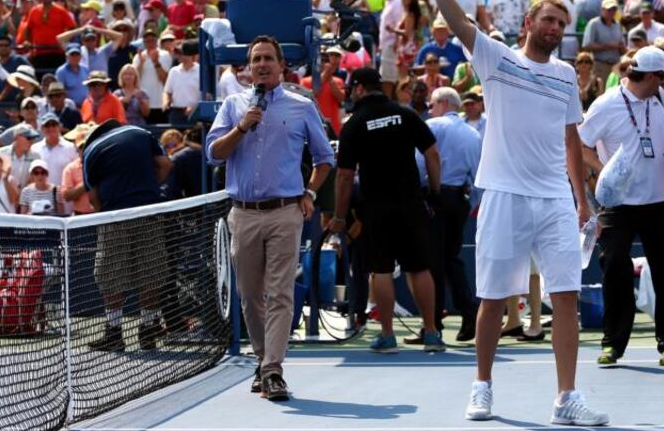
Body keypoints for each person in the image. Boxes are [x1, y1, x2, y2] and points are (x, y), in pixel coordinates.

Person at [424, 0, 607, 424]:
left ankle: (567, 396)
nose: (554, 27)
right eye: (548, 19)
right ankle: (482, 385)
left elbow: (571, 138)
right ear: (528, 22)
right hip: (504, 193)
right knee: (493, 297)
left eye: (561, 23)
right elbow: (460, 22)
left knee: (565, 295)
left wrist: (582, 196)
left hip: (554, 199)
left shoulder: (567, 75)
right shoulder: (496, 58)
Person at [205, 35, 334, 402]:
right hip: (243, 213)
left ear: (281, 66)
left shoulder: (301, 106)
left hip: (285, 212)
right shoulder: (232, 105)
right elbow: (214, 154)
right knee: (249, 296)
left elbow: (325, 158)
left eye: (268, 59)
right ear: (248, 67)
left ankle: (273, 370)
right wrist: (242, 126)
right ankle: (264, 364)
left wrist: (309, 193)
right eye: (255, 59)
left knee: (279, 293)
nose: (261, 65)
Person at [579, 46, 664, 367]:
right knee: (614, 267)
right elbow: (580, 143)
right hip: (618, 202)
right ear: (652, 76)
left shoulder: (660, 98)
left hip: (661, 198)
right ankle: (613, 344)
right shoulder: (606, 104)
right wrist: (606, 172)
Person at [331, 66, 445, 353]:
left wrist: (339, 216)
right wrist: (434, 192)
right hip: (410, 203)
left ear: (358, 89)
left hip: (376, 208)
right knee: (418, 266)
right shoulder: (405, 113)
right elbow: (432, 154)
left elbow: (344, 176)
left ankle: (388, 335)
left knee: (380, 269)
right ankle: (431, 333)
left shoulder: (354, 123)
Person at [82, 119, 174, 351]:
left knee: (110, 275)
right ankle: (147, 330)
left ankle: (114, 333)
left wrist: (106, 214)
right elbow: (165, 165)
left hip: (115, 217)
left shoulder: (90, 150)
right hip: (149, 211)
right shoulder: (142, 133)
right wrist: (148, 190)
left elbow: (93, 198)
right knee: (150, 272)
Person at [422, 87, 480, 342]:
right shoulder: (473, 134)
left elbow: (419, 161)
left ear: (443, 103)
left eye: (432, 104)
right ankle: (468, 314)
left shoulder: (432, 125)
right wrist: (470, 203)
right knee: (451, 259)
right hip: (458, 199)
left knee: (433, 261)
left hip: (434, 197)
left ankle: (432, 325)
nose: (429, 108)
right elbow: (478, 176)